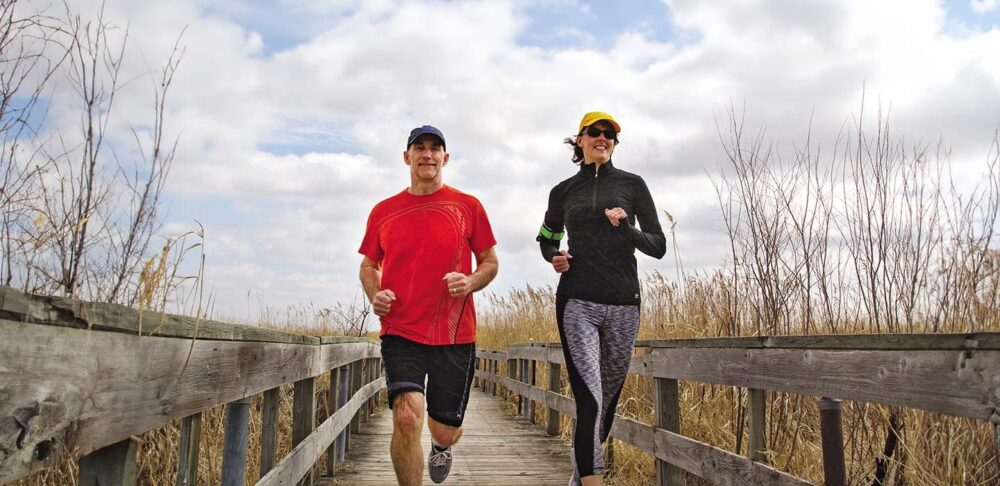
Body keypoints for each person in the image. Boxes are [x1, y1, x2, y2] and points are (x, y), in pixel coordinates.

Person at [359, 125, 499, 485]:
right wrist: (375, 293)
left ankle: (442, 445)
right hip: (401, 329)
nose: (427, 154)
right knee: (407, 416)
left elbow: (489, 262)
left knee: (444, 428)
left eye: (435, 148)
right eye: (419, 148)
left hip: (454, 333)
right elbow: (368, 265)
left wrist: (469, 282)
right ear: (407, 157)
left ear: (445, 158)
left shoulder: (468, 206)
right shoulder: (383, 211)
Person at [536, 112, 666, 486]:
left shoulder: (633, 185)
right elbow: (546, 237)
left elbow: (657, 246)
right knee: (589, 398)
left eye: (610, 134)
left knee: (606, 401)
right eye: (595, 132)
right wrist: (553, 256)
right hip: (577, 301)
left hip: (625, 303)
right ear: (580, 140)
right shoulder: (563, 192)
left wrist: (627, 228)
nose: (603, 138)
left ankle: (579, 479)